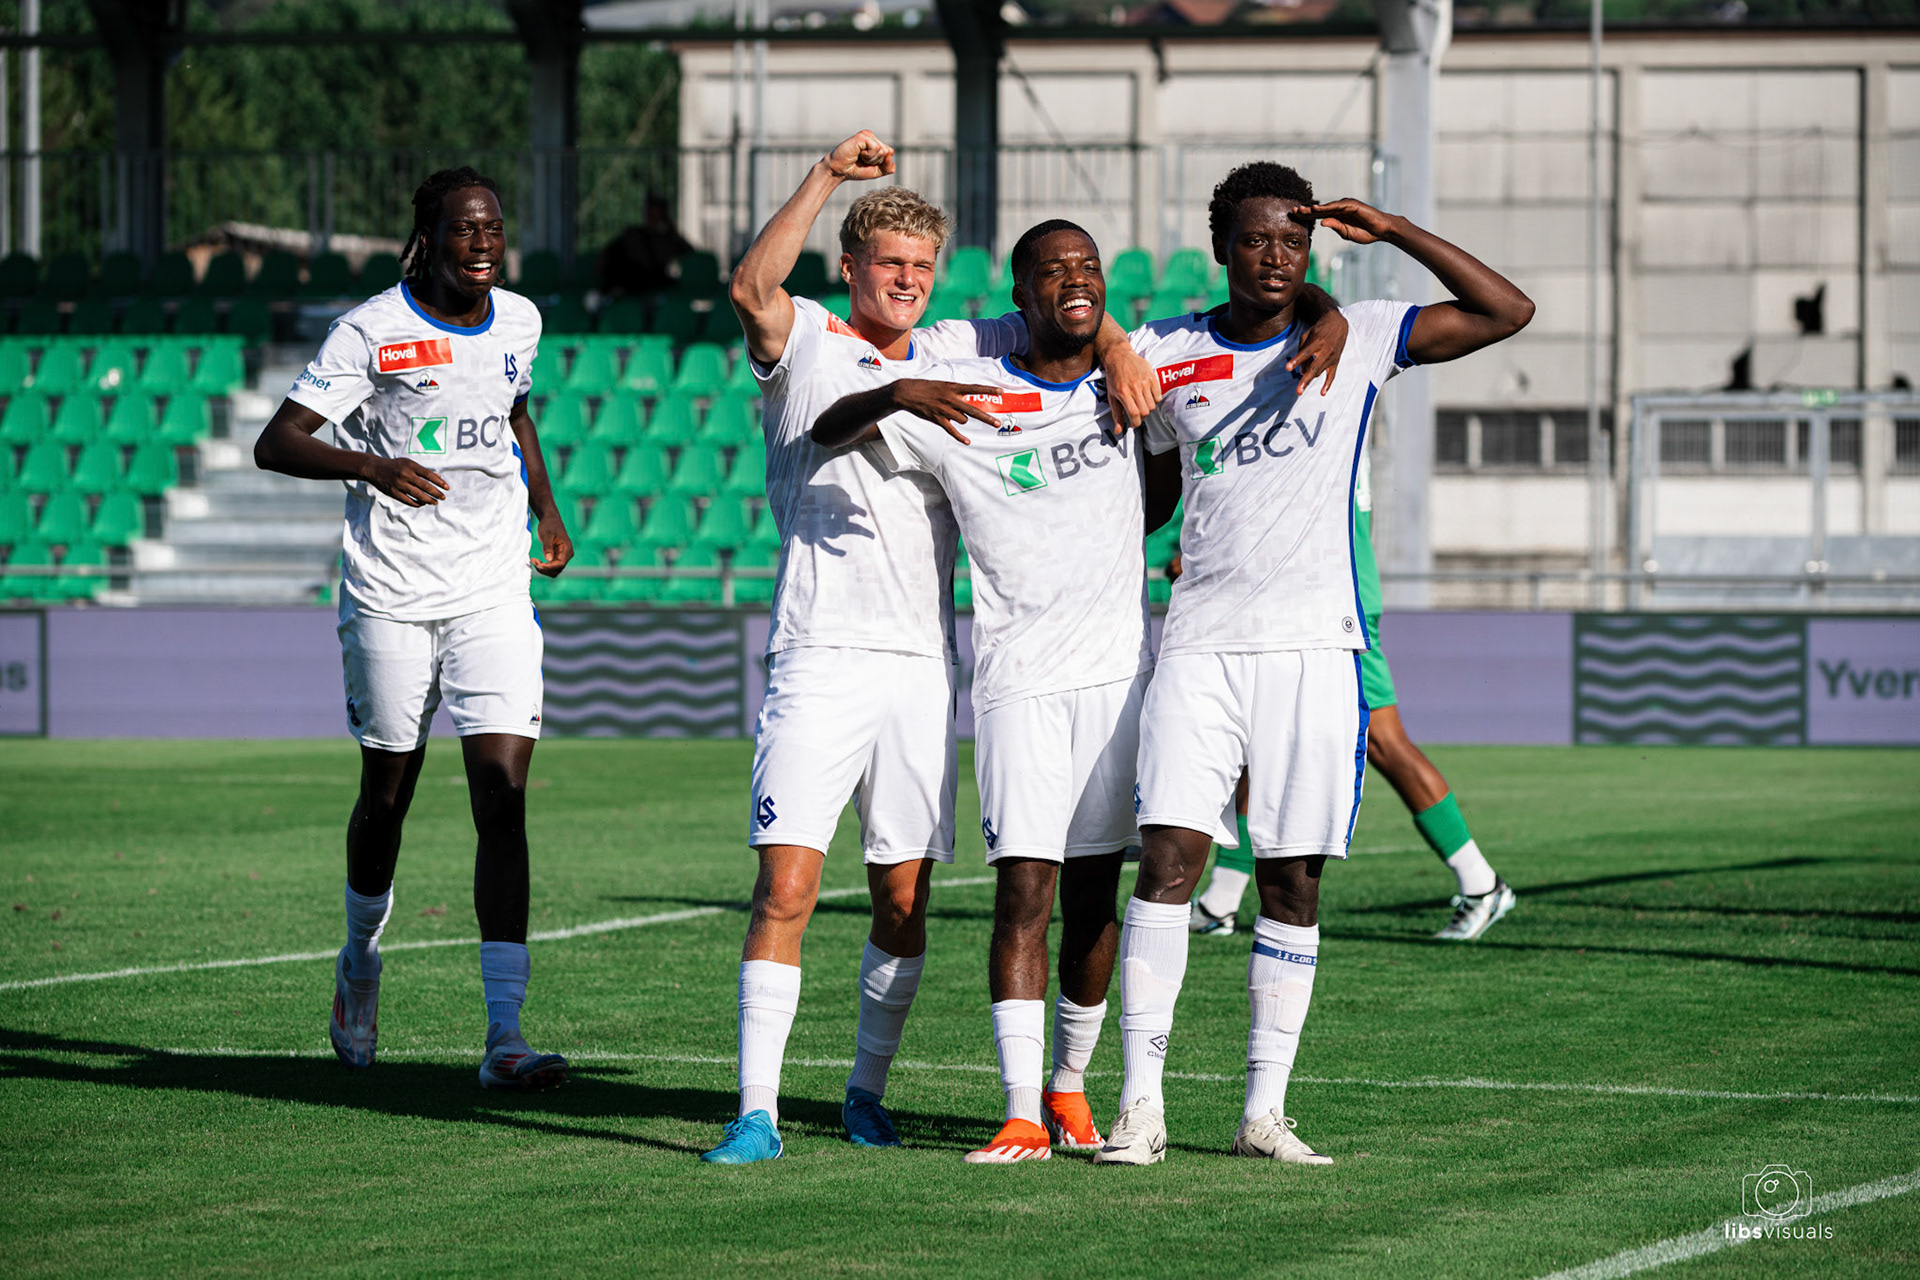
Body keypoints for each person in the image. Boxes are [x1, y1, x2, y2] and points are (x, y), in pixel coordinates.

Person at [703, 131, 1165, 1165]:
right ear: (851, 269)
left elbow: (1069, 304)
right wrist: (827, 176)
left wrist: (1127, 342)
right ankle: (757, 1108)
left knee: (902, 894)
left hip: (923, 663)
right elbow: (752, 289)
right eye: (887, 266)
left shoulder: (960, 344)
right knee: (786, 885)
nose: (905, 283)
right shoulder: (810, 338)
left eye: (920, 267)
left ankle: (866, 1092)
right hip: (819, 650)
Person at [1093, 162, 1533, 1167]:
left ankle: (1262, 1114)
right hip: (1198, 644)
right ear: (1223, 247)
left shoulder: (1363, 332)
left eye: (1294, 240)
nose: (1276, 256)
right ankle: (1140, 1108)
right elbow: (1146, 494)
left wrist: (1398, 229)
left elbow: (1507, 310)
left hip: (1316, 651)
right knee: (1168, 863)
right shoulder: (1166, 354)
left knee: (1292, 880)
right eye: (1256, 239)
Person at [810, 219, 1180, 1163]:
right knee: (1026, 890)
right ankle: (1019, 1109)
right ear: (1019, 300)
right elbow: (826, 426)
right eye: (1051, 271)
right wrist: (895, 391)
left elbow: (1163, 489)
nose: (1074, 280)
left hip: (1116, 676)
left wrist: (1122, 349)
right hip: (1017, 683)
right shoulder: (969, 391)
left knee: (1097, 895)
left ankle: (1069, 1091)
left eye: (1088, 266)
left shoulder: (1127, 386)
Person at [253, 166, 574, 1090]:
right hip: (391, 591)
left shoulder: (521, 320)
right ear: (428, 236)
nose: (484, 242)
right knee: (387, 794)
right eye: (466, 229)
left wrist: (545, 508)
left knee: (502, 801)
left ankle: (505, 1036)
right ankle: (360, 961)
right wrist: (375, 465)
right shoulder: (373, 330)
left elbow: (514, 408)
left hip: (492, 590)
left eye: (494, 228)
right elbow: (278, 441)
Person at [1183, 491, 1518, 942]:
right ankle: (1219, 902)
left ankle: (1481, 883)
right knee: (1255, 741)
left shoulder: (1331, 421)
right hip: (1298, 604)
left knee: (1383, 742)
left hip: (1338, 608)